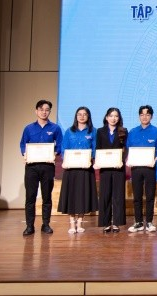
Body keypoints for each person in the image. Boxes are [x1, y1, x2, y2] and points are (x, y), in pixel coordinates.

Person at [20, 99, 63, 236]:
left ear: (49, 111)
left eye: (47, 110)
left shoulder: (55, 128)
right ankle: (29, 226)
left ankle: (46, 224)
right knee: (30, 197)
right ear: (36, 111)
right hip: (32, 167)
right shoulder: (28, 128)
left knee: (47, 196)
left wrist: (55, 153)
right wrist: (25, 153)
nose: (44, 112)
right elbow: (23, 144)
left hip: (47, 166)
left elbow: (60, 145)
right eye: (41, 109)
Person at [58, 106, 98, 234]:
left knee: (83, 195)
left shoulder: (93, 131)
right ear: (76, 116)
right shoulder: (69, 131)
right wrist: (66, 159)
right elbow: (63, 149)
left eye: (84, 114)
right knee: (71, 195)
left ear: (88, 116)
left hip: (85, 168)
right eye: (79, 114)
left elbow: (95, 149)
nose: (82, 116)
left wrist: (90, 157)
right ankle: (71, 223)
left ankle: (80, 222)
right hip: (71, 168)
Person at [126, 105, 157, 233]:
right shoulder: (132, 132)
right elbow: (128, 149)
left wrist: (155, 159)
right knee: (137, 196)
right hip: (136, 168)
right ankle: (138, 222)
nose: (144, 117)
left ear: (151, 116)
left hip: (150, 168)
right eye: (142, 114)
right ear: (139, 116)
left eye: (147, 114)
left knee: (150, 195)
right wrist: (128, 160)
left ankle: (150, 222)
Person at [95, 107, 127, 233]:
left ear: (119, 118)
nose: (114, 118)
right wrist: (98, 162)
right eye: (111, 116)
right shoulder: (100, 131)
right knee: (105, 195)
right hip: (105, 168)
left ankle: (117, 223)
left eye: (116, 116)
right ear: (107, 117)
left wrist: (122, 161)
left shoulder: (123, 131)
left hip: (119, 167)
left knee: (118, 195)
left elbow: (125, 149)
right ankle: (106, 223)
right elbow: (98, 148)